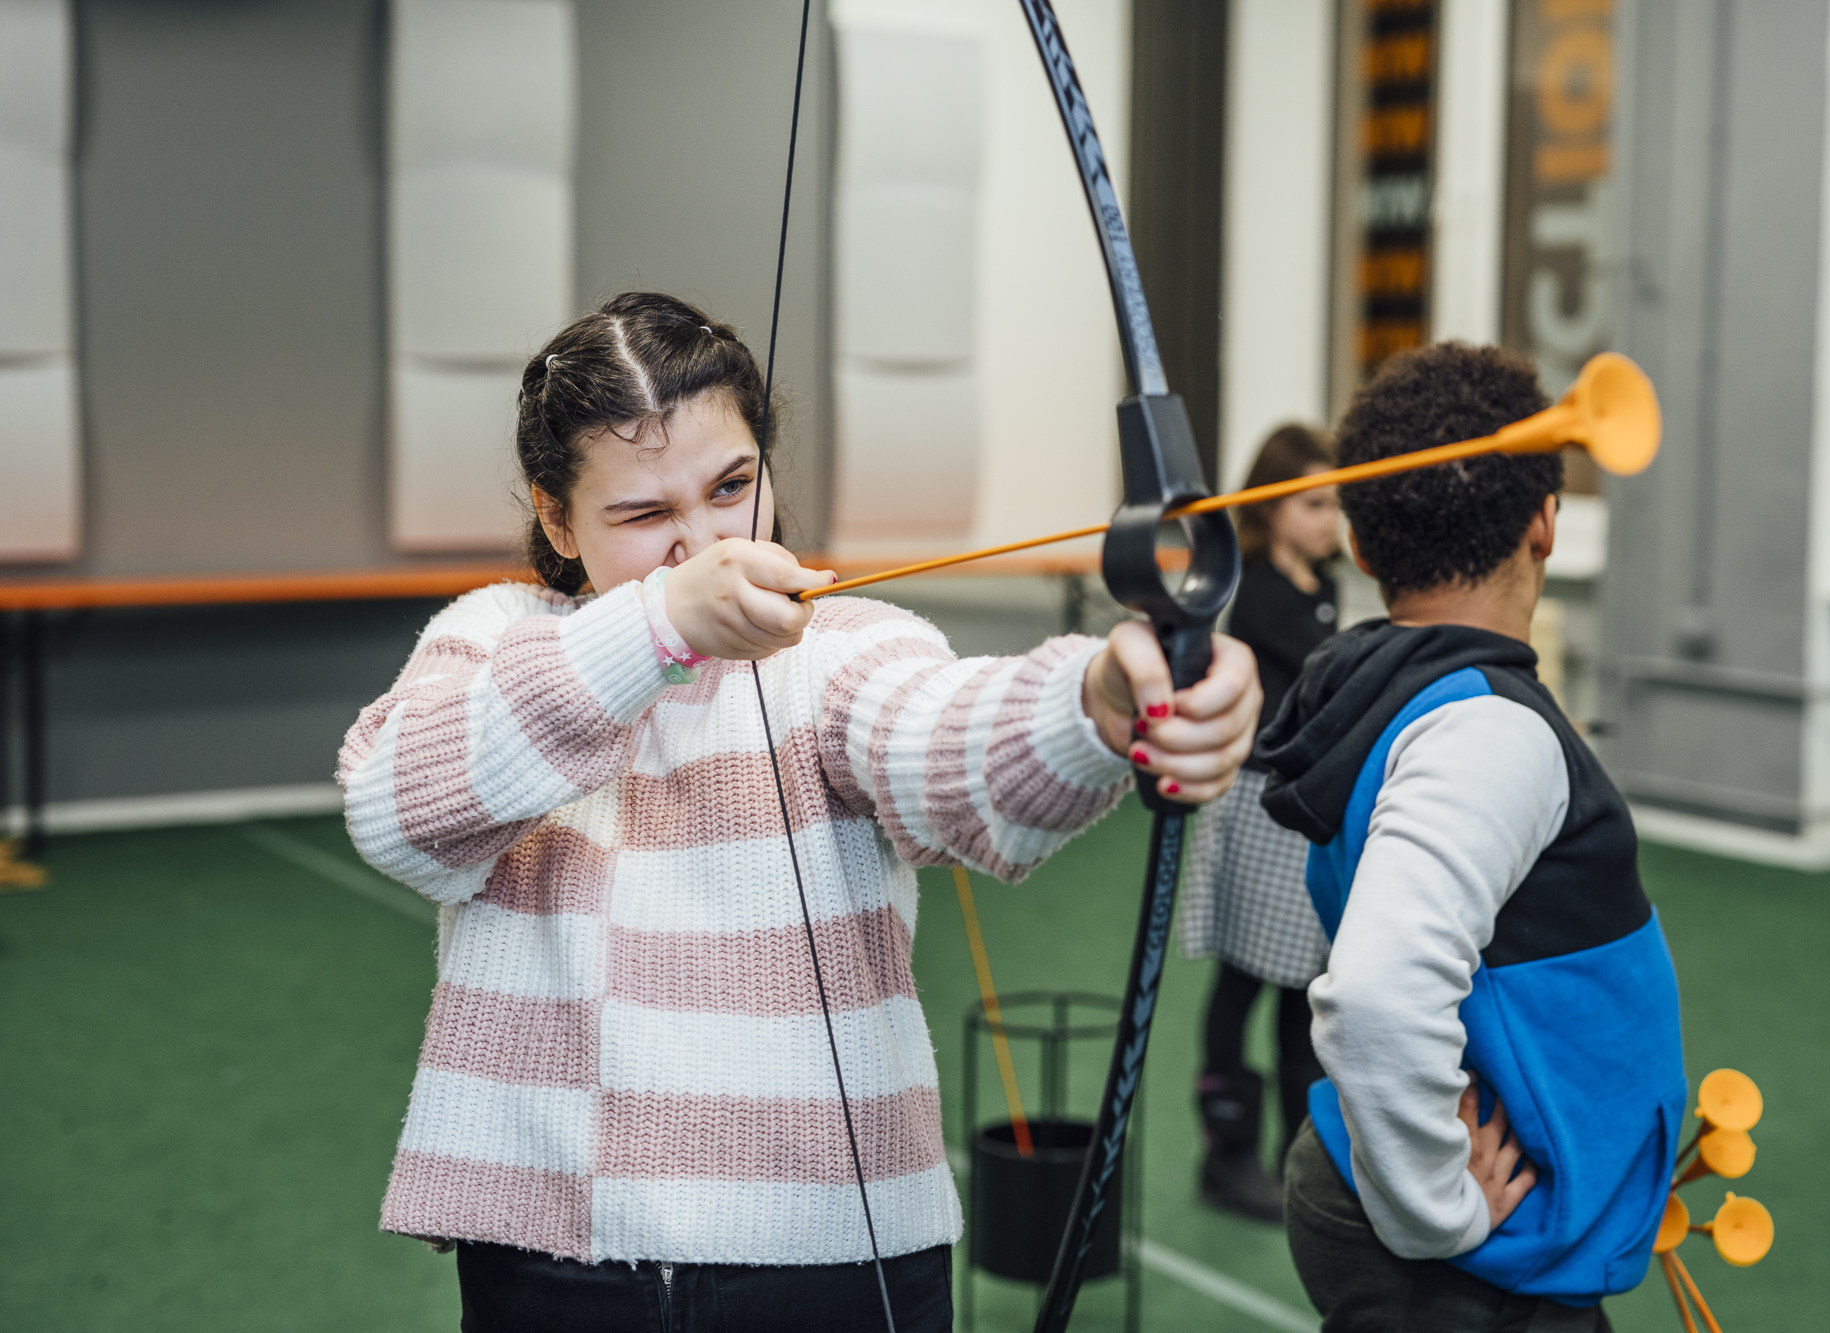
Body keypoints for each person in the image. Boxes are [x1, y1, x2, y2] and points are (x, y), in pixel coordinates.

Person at [336, 292, 1261, 1333]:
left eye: (732, 488)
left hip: (832, 1257)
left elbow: (947, 741)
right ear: (556, 518)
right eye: (644, 515)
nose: (703, 547)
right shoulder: (497, 638)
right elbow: (396, 809)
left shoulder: (839, 650)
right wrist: (655, 630)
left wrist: (1092, 705)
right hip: (557, 1262)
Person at [1255, 342, 1684, 1332]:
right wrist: (1436, 1211)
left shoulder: (1410, 693)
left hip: (1486, 1240)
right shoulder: (1484, 731)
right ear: (1544, 522)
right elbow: (1373, 994)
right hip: (1469, 1265)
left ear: (1358, 547)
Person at [1179, 424, 1344, 1222]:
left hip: (1301, 808)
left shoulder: (1322, 586)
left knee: (1301, 989)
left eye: (1337, 502)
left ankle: (1293, 1156)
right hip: (1258, 804)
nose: (1330, 518)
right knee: (1245, 979)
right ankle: (1228, 1152)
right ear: (1272, 507)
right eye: (1313, 503)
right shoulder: (1261, 594)